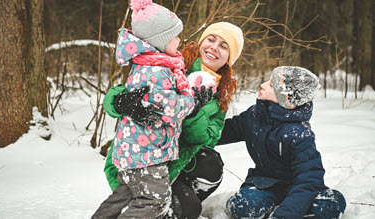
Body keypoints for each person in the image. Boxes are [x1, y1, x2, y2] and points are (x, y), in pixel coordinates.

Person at [101, 22, 244, 218]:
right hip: (137, 158)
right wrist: (120, 101)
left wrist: (193, 111)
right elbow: (116, 95)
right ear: (201, 42)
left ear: (229, 58)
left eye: (223, 46)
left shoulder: (220, 96)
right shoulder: (173, 62)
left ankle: (165, 203)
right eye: (211, 40)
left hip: (172, 163)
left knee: (199, 189)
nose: (214, 47)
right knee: (153, 205)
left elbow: (207, 139)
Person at [92, 0, 194, 218]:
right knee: (154, 200)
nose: (179, 40)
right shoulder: (157, 72)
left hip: (136, 151)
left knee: (126, 194)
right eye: (175, 36)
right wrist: (190, 99)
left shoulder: (145, 64)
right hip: (147, 152)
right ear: (160, 41)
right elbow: (171, 108)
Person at [219, 66, 346, 219]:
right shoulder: (254, 115)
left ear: (285, 98)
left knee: (332, 202)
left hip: (299, 189)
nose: (263, 85)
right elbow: (223, 132)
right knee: (241, 205)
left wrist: (284, 215)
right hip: (265, 185)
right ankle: (279, 209)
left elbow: (309, 178)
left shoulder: (299, 133)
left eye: (271, 85)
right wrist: (190, 133)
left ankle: (285, 210)